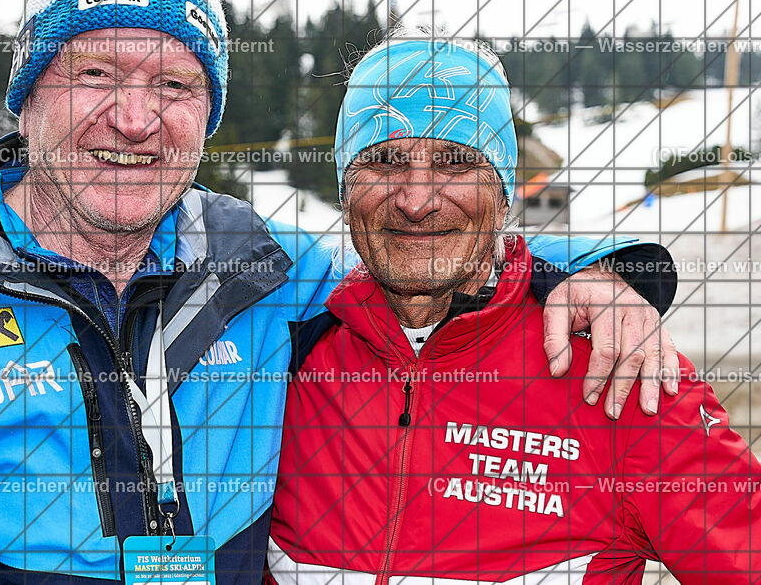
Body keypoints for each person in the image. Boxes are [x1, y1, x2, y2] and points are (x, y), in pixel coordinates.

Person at [0, 0, 674, 584]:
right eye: (95, 72)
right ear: (26, 96)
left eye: (176, 83)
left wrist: (609, 270)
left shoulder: (260, 270)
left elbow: (427, 240)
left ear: (208, 114)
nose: (135, 119)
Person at [268, 31, 760, 583]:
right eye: (383, 160)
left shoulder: (616, 365)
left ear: (503, 191)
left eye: (455, 162)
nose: (415, 200)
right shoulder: (282, 353)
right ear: (343, 186)